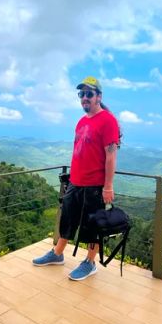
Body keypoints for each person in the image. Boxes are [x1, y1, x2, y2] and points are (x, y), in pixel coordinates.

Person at [32, 76, 120, 280]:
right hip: (76, 181)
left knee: (92, 226)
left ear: (99, 96)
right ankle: (57, 254)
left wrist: (108, 186)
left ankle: (90, 262)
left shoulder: (108, 120)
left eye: (89, 94)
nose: (85, 98)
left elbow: (111, 156)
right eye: (82, 94)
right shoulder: (81, 121)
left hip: (95, 185)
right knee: (67, 221)